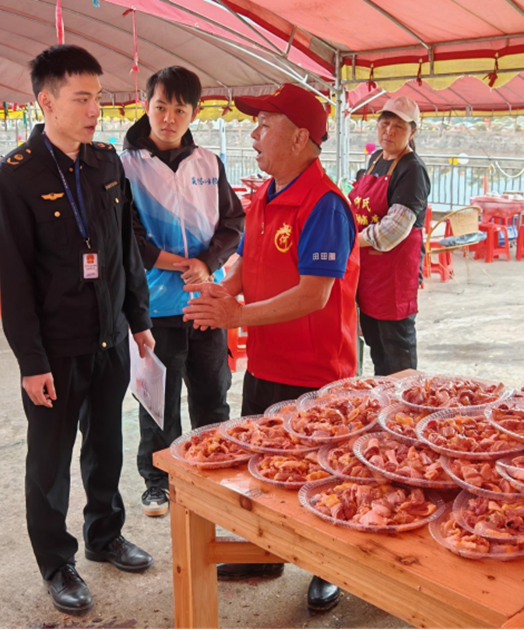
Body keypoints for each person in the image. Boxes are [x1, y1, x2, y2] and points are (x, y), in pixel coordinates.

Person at [0, 45, 155, 616]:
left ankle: (105, 537)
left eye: (98, 98)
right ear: (47, 102)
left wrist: (139, 320)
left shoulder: (107, 163)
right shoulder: (15, 177)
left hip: (109, 336)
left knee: (106, 445)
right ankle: (57, 562)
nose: (94, 110)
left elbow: (125, 250)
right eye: (82, 99)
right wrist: (31, 361)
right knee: (51, 461)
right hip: (55, 349)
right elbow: (13, 278)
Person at [182, 83, 358, 612]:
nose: (253, 133)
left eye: (265, 124)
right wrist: (225, 288)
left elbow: (313, 293)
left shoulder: (325, 204)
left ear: (301, 136)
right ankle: (264, 551)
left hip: (316, 371)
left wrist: (235, 316)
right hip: (265, 362)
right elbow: (249, 264)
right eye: (254, 123)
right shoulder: (265, 192)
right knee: (263, 467)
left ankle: (332, 567)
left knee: (326, 472)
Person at [121, 66, 245, 517]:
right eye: (160, 107)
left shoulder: (209, 163)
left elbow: (233, 223)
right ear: (146, 105)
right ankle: (158, 479)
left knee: (212, 390)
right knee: (158, 397)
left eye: (179, 109)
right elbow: (125, 233)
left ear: (194, 112)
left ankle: (212, 469)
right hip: (154, 306)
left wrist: (207, 263)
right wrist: (180, 264)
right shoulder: (126, 165)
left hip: (205, 303)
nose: (169, 117)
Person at [350, 97, 431, 375]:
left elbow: (393, 231)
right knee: (377, 349)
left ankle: (405, 412)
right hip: (369, 275)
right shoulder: (375, 160)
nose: (389, 131)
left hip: (394, 279)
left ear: (412, 132)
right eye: (385, 123)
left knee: (398, 358)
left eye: (399, 126)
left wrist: (350, 241)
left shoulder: (412, 169)